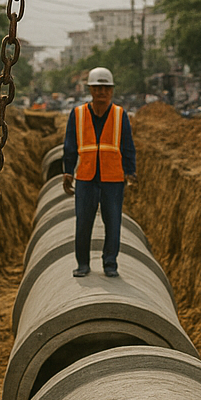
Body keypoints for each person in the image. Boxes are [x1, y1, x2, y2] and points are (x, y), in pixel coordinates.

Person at [62, 66, 136, 279]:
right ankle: (83, 264)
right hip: (86, 177)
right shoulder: (77, 114)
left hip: (113, 178)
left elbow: (128, 145)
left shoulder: (120, 115)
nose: (102, 92)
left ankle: (110, 263)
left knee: (113, 222)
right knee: (83, 222)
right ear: (91, 90)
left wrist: (130, 171)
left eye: (106, 88)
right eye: (97, 88)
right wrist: (68, 171)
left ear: (111, 90)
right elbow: (70, 144)